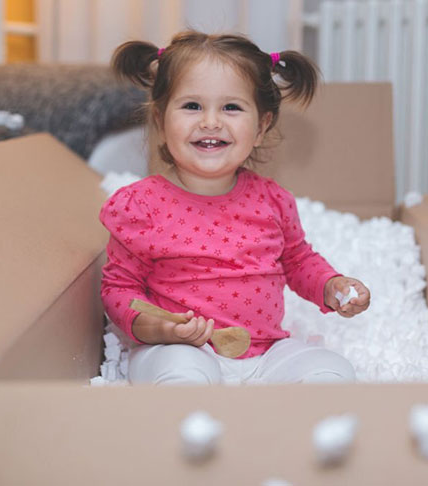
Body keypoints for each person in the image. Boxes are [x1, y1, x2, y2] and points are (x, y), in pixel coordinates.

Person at [100, 31, 371, 385]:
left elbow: (298, 261)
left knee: (332, 372)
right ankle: (197, 428)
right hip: (180, 349)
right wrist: (156, 327)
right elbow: (119, 288)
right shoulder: (140, 205)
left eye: (231, 107)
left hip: (266, 351)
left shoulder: (272, 200)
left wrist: (332, 285)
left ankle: (294, 430)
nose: (211, 122)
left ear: (261, 126)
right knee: (180, 376)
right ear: (160, 120)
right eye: (192, 106)